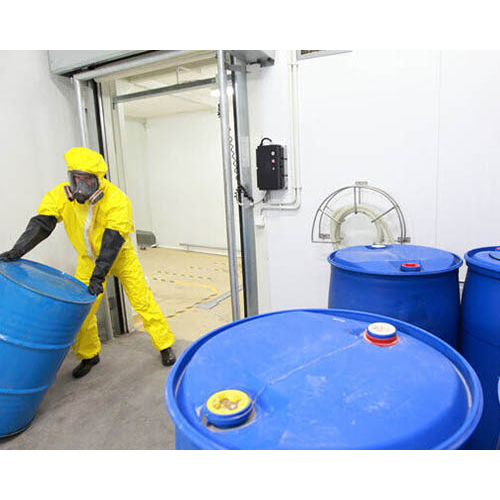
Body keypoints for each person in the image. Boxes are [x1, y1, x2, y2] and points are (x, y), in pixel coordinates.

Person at [0, 147, 176, 378]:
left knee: (142, 302)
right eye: (77, 178)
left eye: (87, 179)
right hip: (88, 260)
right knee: (82, 310)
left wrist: (98, 276)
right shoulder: (62, 197)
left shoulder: (116, 200)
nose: (81, 185)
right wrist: (18, 250)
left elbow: (112, 242)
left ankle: (164, 345)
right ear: (70, 177)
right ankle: (89, 355)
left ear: (98, 180)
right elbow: (42, 223)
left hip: (121, 257)